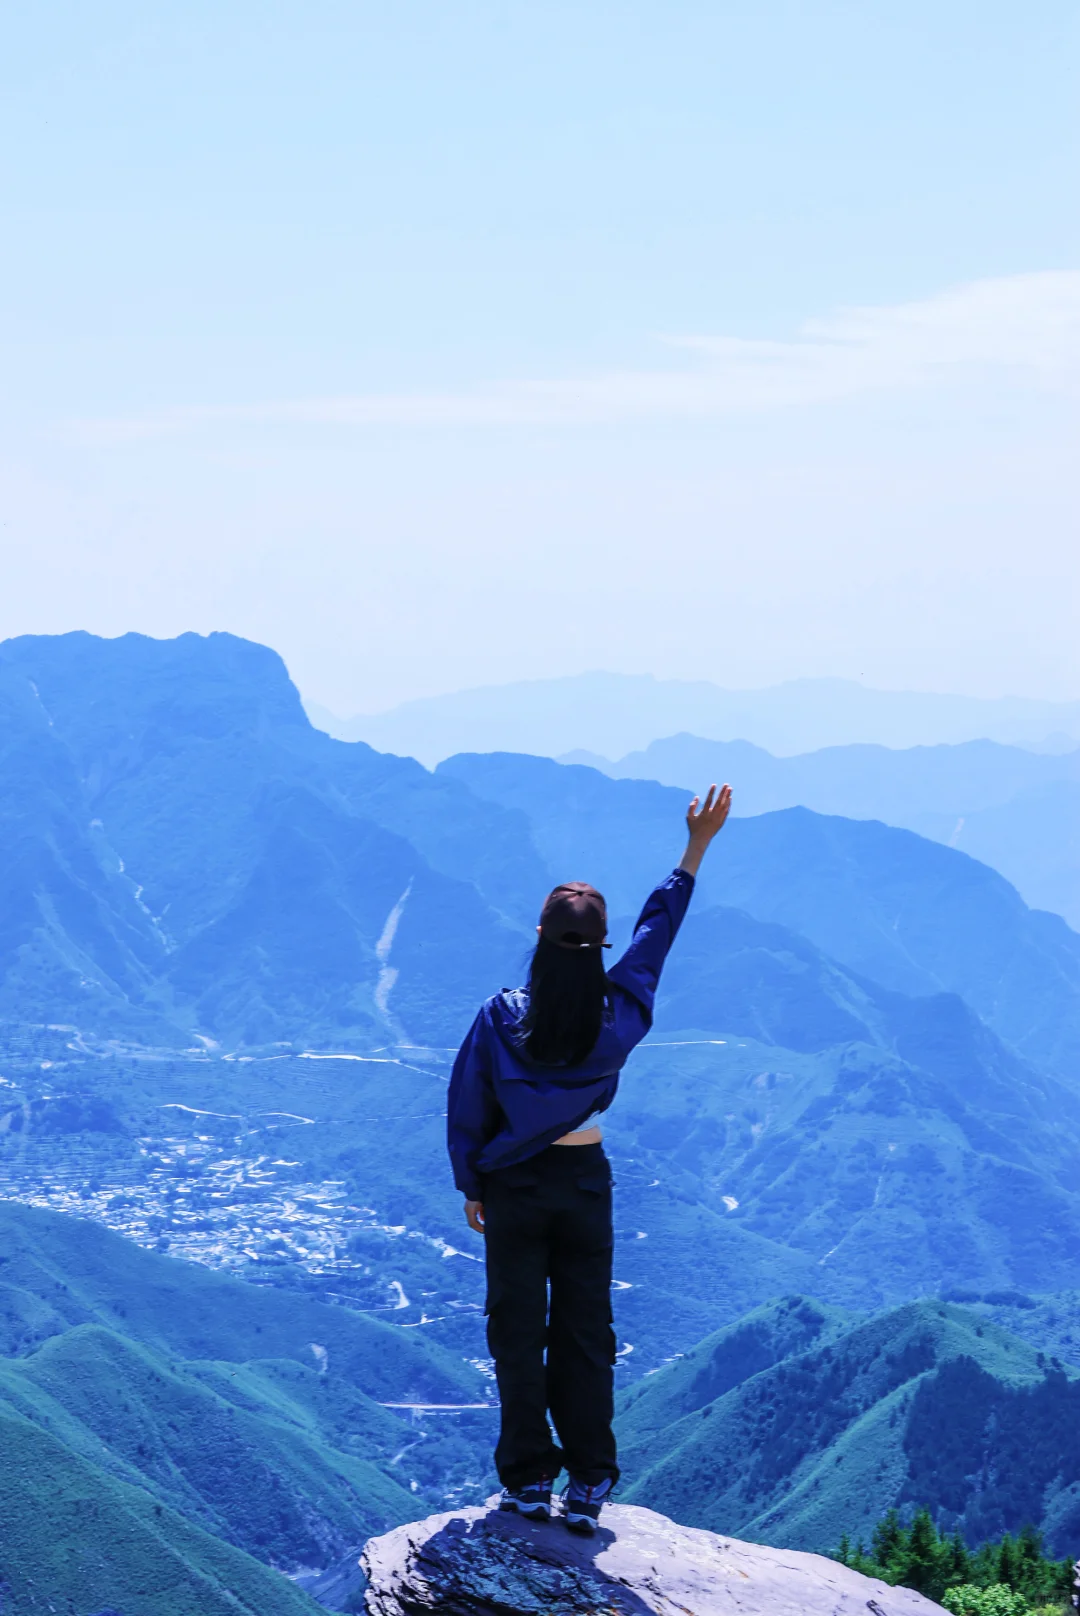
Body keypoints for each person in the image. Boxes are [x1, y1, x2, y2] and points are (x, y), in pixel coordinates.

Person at [446, 783, 732, 1533]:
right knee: (585, 1331)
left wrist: (471, 1182)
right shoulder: (620, 1015)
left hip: (512, 1186)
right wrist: (695, 847)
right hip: (583, 1182)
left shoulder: (503, 1016)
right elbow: (657, 932)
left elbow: (467, 1104)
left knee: (516, 1329)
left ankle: (527, 1482)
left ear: (539, 932)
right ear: (602, 946)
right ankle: (589, 1482)